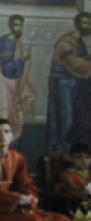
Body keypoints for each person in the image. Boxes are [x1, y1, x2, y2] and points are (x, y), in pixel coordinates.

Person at [46, 11, 91, 154]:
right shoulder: (65, 43)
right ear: (77, 24)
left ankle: (72, 149)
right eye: (85, 23)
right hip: (63, 84)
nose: (88, 26)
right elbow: (75, 65)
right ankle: (62, 150)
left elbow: (83, 61)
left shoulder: (79, 42)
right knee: (66, 118)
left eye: (90, 23)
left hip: (76, 83)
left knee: (79, 117)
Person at [0, 14, 36, 140]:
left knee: (13, 115)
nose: (19, 28)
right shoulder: (6, 43)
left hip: (12, 84)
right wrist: (22, 59)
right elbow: (7, 70)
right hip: (4, 85)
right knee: (4, 113)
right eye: (16, 25)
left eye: (21, 25)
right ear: (10, 26)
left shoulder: (16, 42)